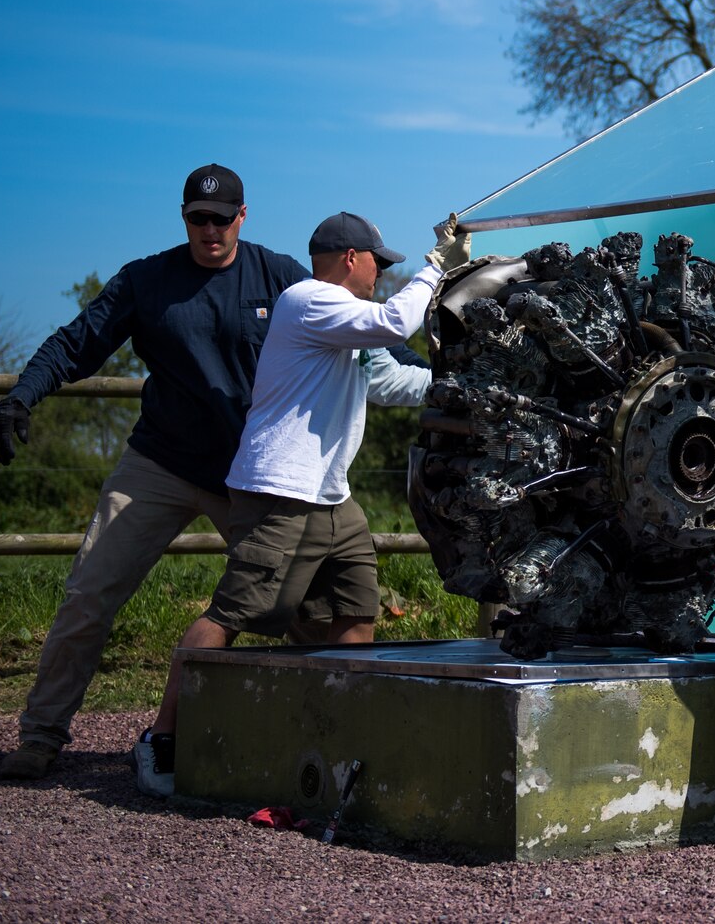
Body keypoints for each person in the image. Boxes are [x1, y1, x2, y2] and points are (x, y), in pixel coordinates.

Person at [0, 165, 312, 781]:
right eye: (198, 218)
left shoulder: (279, 276)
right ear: (183, 216)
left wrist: (431, 375)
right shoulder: (147, 279)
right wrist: (21, 397)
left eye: (221, 218)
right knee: (89, 594)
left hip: (249, 470)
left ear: (243, 217)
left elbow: (358, 331)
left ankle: (327, 736)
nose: (209, 230)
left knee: (298, 606)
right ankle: (40, 735)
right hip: (158, 463)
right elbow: (74, 342)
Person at [134, 210, 467, 797]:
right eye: (377, 266)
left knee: (356, 611)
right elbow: (394, 322)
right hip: (279, 491)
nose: (381, 277)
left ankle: (336, 744)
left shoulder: (345, 324)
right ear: (349, 260)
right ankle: (160, 739)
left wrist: (465, 383)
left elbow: (389, 381)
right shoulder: (308, 300)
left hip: (331, 495)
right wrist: (436, 267)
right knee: (231, 614)